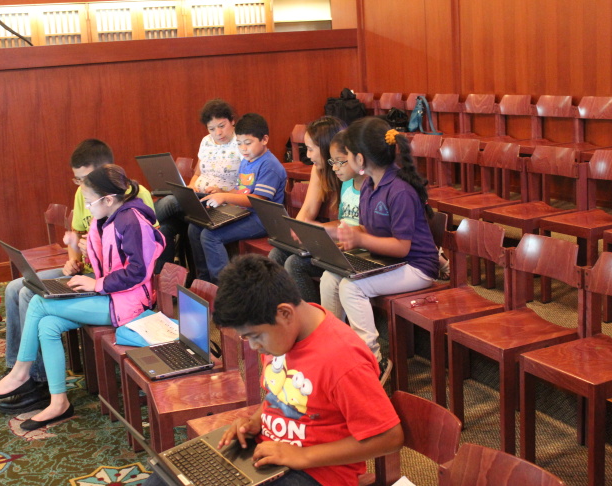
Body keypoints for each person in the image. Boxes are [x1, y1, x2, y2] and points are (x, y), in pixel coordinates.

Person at [141, 254, 403, 486]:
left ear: (285, 313)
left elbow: (390, 438)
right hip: (269, 451)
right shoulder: (281, 337)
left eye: (255, 336)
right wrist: (255, 421)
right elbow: (279, 394)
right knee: (163, 478)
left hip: (318, 472)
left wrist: (303, 456)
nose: (255, 347)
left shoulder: (343, 359)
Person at [0, 164, 165, 431]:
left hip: (127, 303)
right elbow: (110, 259)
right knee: (47, 324)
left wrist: (97, 283)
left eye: (90, 202)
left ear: (109, 199)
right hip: (108, 294)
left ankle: (20, 372)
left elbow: (138, 272)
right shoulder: (109, 217)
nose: (87, 207)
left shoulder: (132, 220)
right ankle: (59, 403)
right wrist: (79, 253)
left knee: (39, 302)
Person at [320, 117, 439, 384]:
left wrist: (360, 240)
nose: (346, 159)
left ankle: (373, 361)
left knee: (352, 287)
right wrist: (331, 231)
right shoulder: (369, 186)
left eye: (347, 155)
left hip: (416, 267)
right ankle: (335, 350)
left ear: (360, 159)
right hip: (389, 261)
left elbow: (401, 247)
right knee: (331, 277)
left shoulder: (400, 191)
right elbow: (367, 229)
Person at [269, 117, 362, 304]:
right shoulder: (322, 171)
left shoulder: (359, 179)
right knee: (277, 254)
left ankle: (310, 317)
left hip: (350, 241)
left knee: (294, 264)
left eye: (311, 149)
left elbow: (358, 227)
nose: (308, 155)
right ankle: (284, 311)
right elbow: (309, 209)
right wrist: (297, 233)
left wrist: (315, 230)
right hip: (337, 234)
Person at [188, 113, 286, 283]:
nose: (243, 149)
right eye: (239, 144)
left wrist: (225, 197)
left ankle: (225, 286)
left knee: (210, 236)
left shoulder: (269, 164)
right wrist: (220, 192)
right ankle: (204, 281)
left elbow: (258, 200)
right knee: (196, 227)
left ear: (264, 139)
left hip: (263, 220)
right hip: (244, 213)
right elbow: (242, 190)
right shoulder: (247, 161)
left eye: (248, 143)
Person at [154, 99, 244, 270]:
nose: (218, 132)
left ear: (232, 121)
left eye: (222, 125)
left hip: (219, 201)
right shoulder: (206, 141)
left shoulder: (241, 144)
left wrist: (222, 192)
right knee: (165, 228)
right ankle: (165, 287)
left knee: (169, 202)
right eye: (211, 129)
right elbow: (197, 174)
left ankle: (138, 226)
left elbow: (244, 186)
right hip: (198, 197)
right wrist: (191, 188)